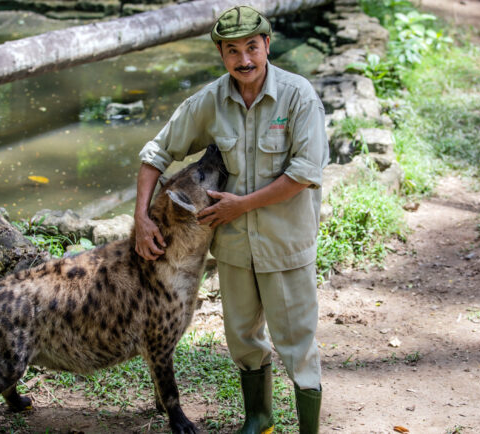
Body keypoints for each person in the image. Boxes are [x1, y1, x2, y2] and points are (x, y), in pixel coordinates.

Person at [133, 5, 328, 433]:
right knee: (243, 338)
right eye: (233, 51)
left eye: (252, 48)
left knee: (297, 343)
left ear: (267, 46)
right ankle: (259, 420)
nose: (244, 60)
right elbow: (155, 153)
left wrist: (243, 204)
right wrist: (141, 218)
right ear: (221, 54)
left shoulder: (298, 97)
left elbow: (304, 173)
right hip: (235, 248)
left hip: (285, 244)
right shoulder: (210, 101)